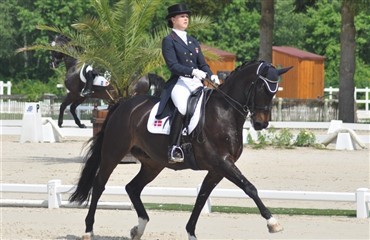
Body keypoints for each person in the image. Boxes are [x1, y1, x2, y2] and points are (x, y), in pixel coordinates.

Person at [157, 3, 220, 163]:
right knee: (183, 107)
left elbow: (202, 64)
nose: (186, 19)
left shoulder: (192, 41)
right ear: (173, 19)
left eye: (187, 16)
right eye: (182, 16)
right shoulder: (169, 40)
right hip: (180, 82)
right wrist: (192, 71)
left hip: (197, 82)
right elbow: (173, 65)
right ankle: (174, 147)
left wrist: (211, 76)